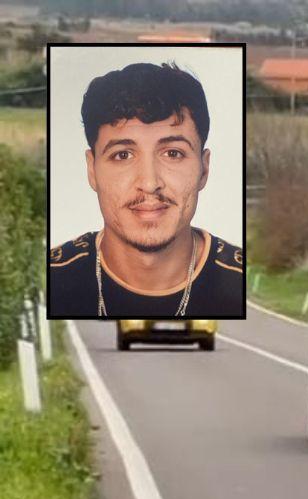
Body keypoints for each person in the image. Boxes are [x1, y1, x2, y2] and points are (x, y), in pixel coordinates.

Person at [48, 62, 242, 318]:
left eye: (173, 153)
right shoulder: (51, 280)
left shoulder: (240, 285)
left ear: (204, 170)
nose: (150, 183)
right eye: (123, 155)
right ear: (92, 171)